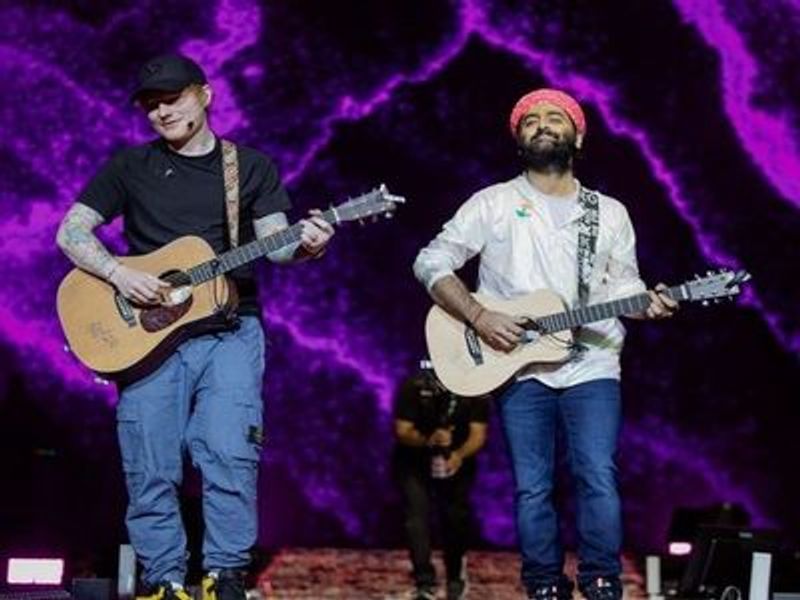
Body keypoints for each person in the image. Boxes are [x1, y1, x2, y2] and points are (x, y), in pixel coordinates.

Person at [55, 54, 334, 600]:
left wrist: (308, 246)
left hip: (231, 329)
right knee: (150, 462)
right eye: (151, 105)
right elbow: (71, 232)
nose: (162, 112)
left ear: (205, 94)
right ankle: (164, 580)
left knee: (230, 452)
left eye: (173, 99)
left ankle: (225, 575)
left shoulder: (248, 167)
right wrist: (120, 275)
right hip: (149, 337)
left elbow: (278, 246)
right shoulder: (129, 167)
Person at [412, 88, 678, 600]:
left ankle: (601, 581)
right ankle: (543, 585)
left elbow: (623, 288)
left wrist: (650, 303)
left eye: (555, 117)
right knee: (532, 486)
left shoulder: (609, 213)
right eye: (529, 120)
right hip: (517, 365)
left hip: (593, 362)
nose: (541, 124)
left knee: (597, 474)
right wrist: (479, 315)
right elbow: (431, 261)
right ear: (519, 140)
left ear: (578, 137)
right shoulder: (492, 203)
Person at [392, 365, 490, 600]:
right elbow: (402, 430)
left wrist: (458, 455)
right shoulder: (414, 386)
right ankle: (424, 583)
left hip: (457, 458)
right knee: (416, 519)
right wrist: (429, 440)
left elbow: (478, 434)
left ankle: (456, 577)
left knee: (454, 517)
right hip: (414, 459)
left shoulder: (475, 388)